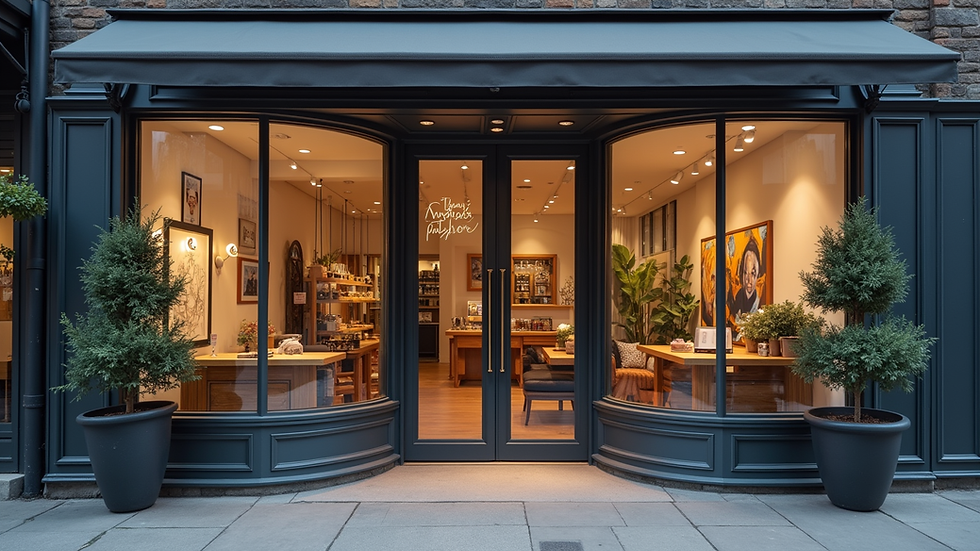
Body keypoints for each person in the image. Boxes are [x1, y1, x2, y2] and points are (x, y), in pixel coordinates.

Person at [731, 235, 762, 318]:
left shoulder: (759, 305)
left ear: (758, 274)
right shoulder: (735, 301)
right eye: (745, 272)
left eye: (752, 273)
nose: (749, 280)